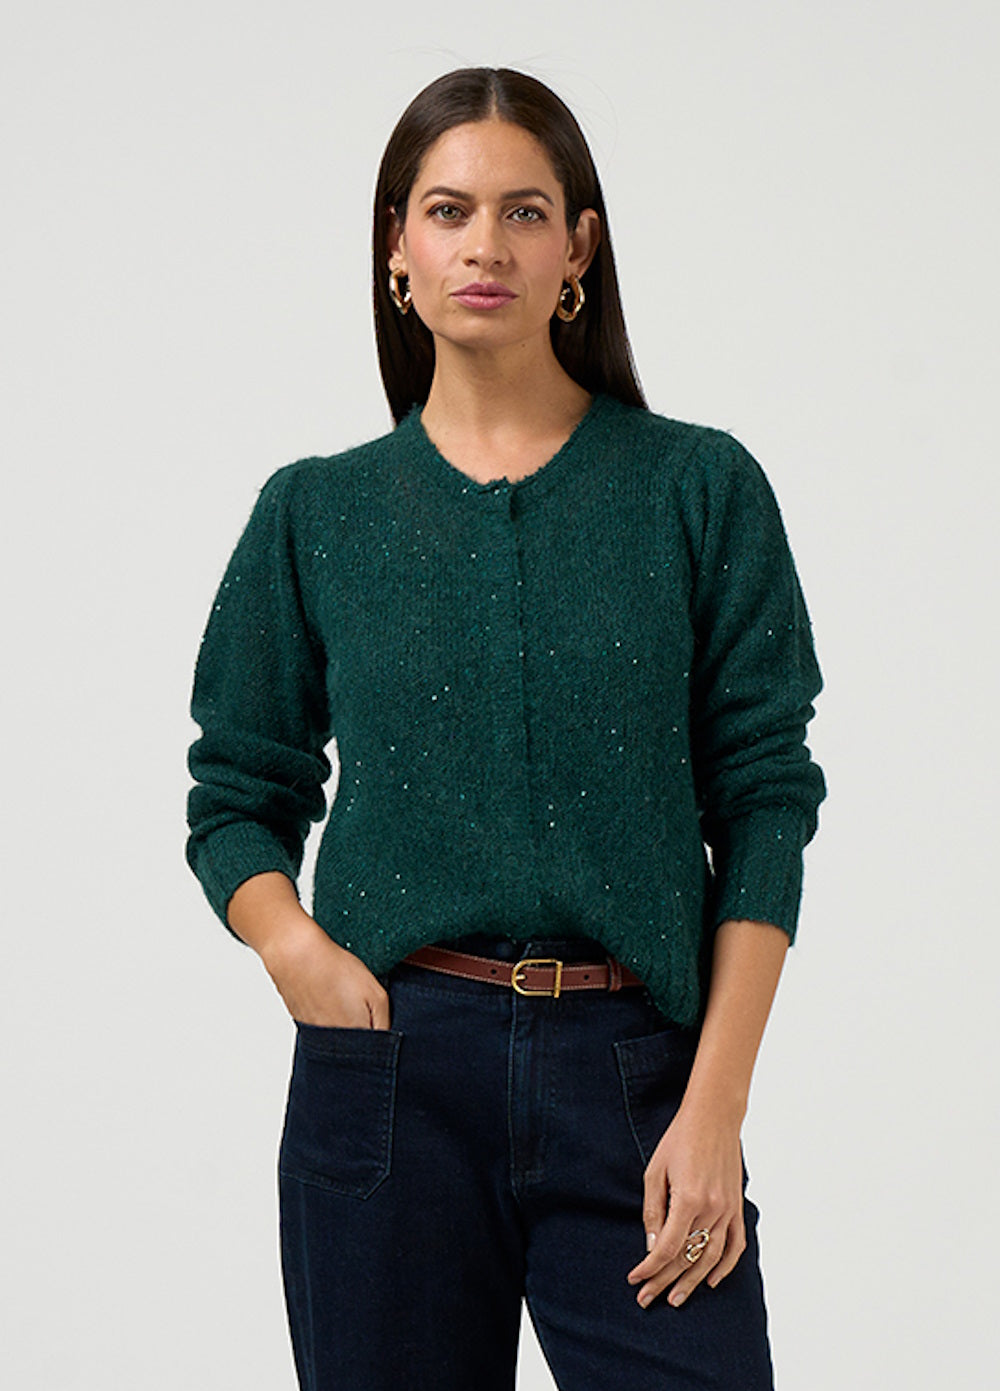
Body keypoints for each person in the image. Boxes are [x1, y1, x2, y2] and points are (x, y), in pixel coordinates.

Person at [186, 66, 826, 1391]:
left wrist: (717, 1105)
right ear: (398, 249)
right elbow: (236, 791)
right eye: (449, 211)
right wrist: (296, 952)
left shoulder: (697, 487)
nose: (486, 245)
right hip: (392, 1078)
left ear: (578, 248)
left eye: (525, 212)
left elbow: (765, 801)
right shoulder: (315, 513)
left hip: (637, 1077)